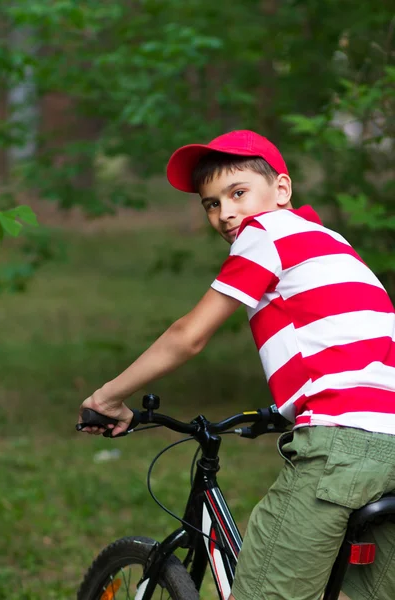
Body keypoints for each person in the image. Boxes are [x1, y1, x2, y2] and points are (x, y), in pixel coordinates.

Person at [78, 130, 395, 600]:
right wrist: (284, 411)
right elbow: (346, 349)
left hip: (339, 447)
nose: (226, 212)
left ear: (281, 190)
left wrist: (108, 397)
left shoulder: (265, 234)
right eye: (210, 203)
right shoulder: (329, 243)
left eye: (238, 192)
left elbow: (189, 336)